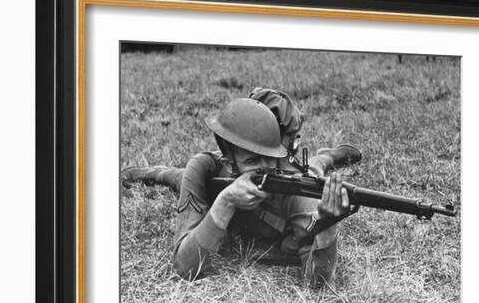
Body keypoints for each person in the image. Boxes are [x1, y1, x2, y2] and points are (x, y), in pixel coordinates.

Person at [122, 88, 362, 287]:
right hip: (208, 175)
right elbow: (185, 268)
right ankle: (155, 172)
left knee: (314, 169)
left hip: (304, 172)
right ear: (229, 162)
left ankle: (328, 155)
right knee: (178, 176)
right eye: (251, 160)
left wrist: (328, 227)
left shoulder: (293, 188)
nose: (265, 168)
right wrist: (225, 202)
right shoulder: (207, 167)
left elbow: (318, 283)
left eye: (269, 157)